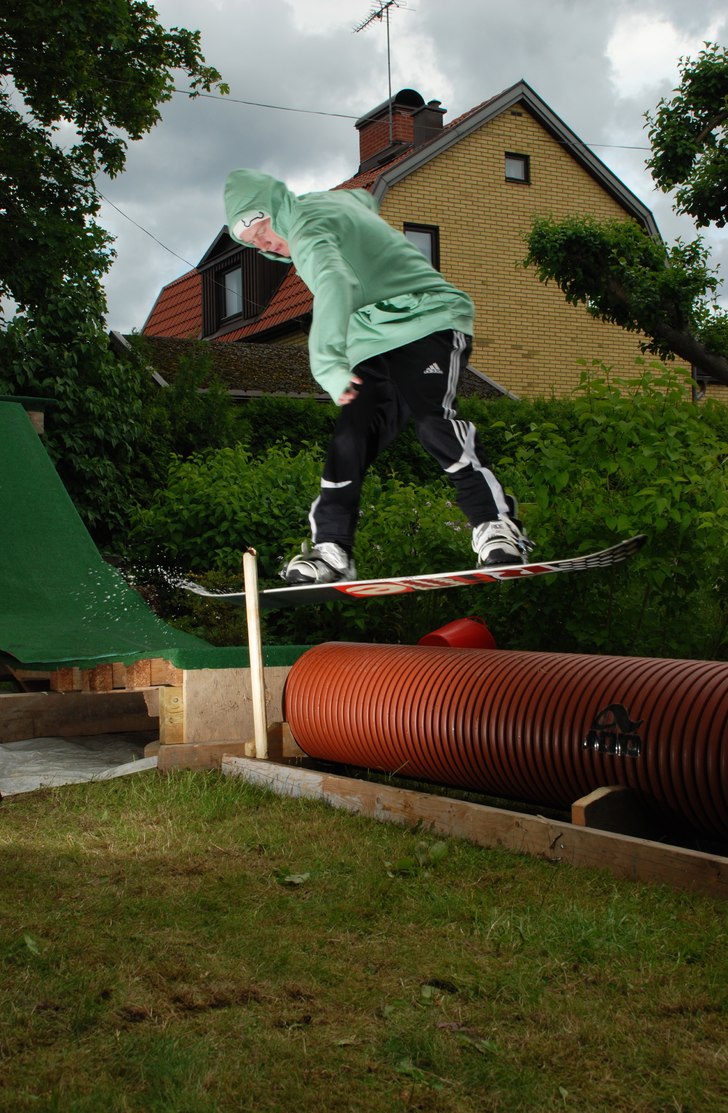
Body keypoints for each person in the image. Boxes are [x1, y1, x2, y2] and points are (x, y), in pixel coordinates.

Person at [224, 168, 532, 584]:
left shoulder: (307, 229)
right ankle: (332, 548)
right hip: (372, 340)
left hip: (430, 320)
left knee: (432, 420)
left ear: (278, 208)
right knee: (351, 436)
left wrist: (328, 364)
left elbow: (334, 281)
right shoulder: (324, 205)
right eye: (251, 241)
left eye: (262, 228)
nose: (263, 243)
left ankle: (496, 524)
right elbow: (361, 198)